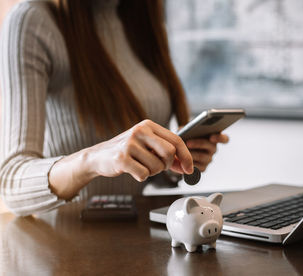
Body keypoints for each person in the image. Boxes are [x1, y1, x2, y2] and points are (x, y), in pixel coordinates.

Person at [0, 0, 228, 216]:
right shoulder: (31, 20)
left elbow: (136, 173)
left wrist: (171, 162)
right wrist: (93, 159)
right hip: (62, 244)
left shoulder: (142, 22)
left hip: (132, 236)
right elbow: (12, 183)